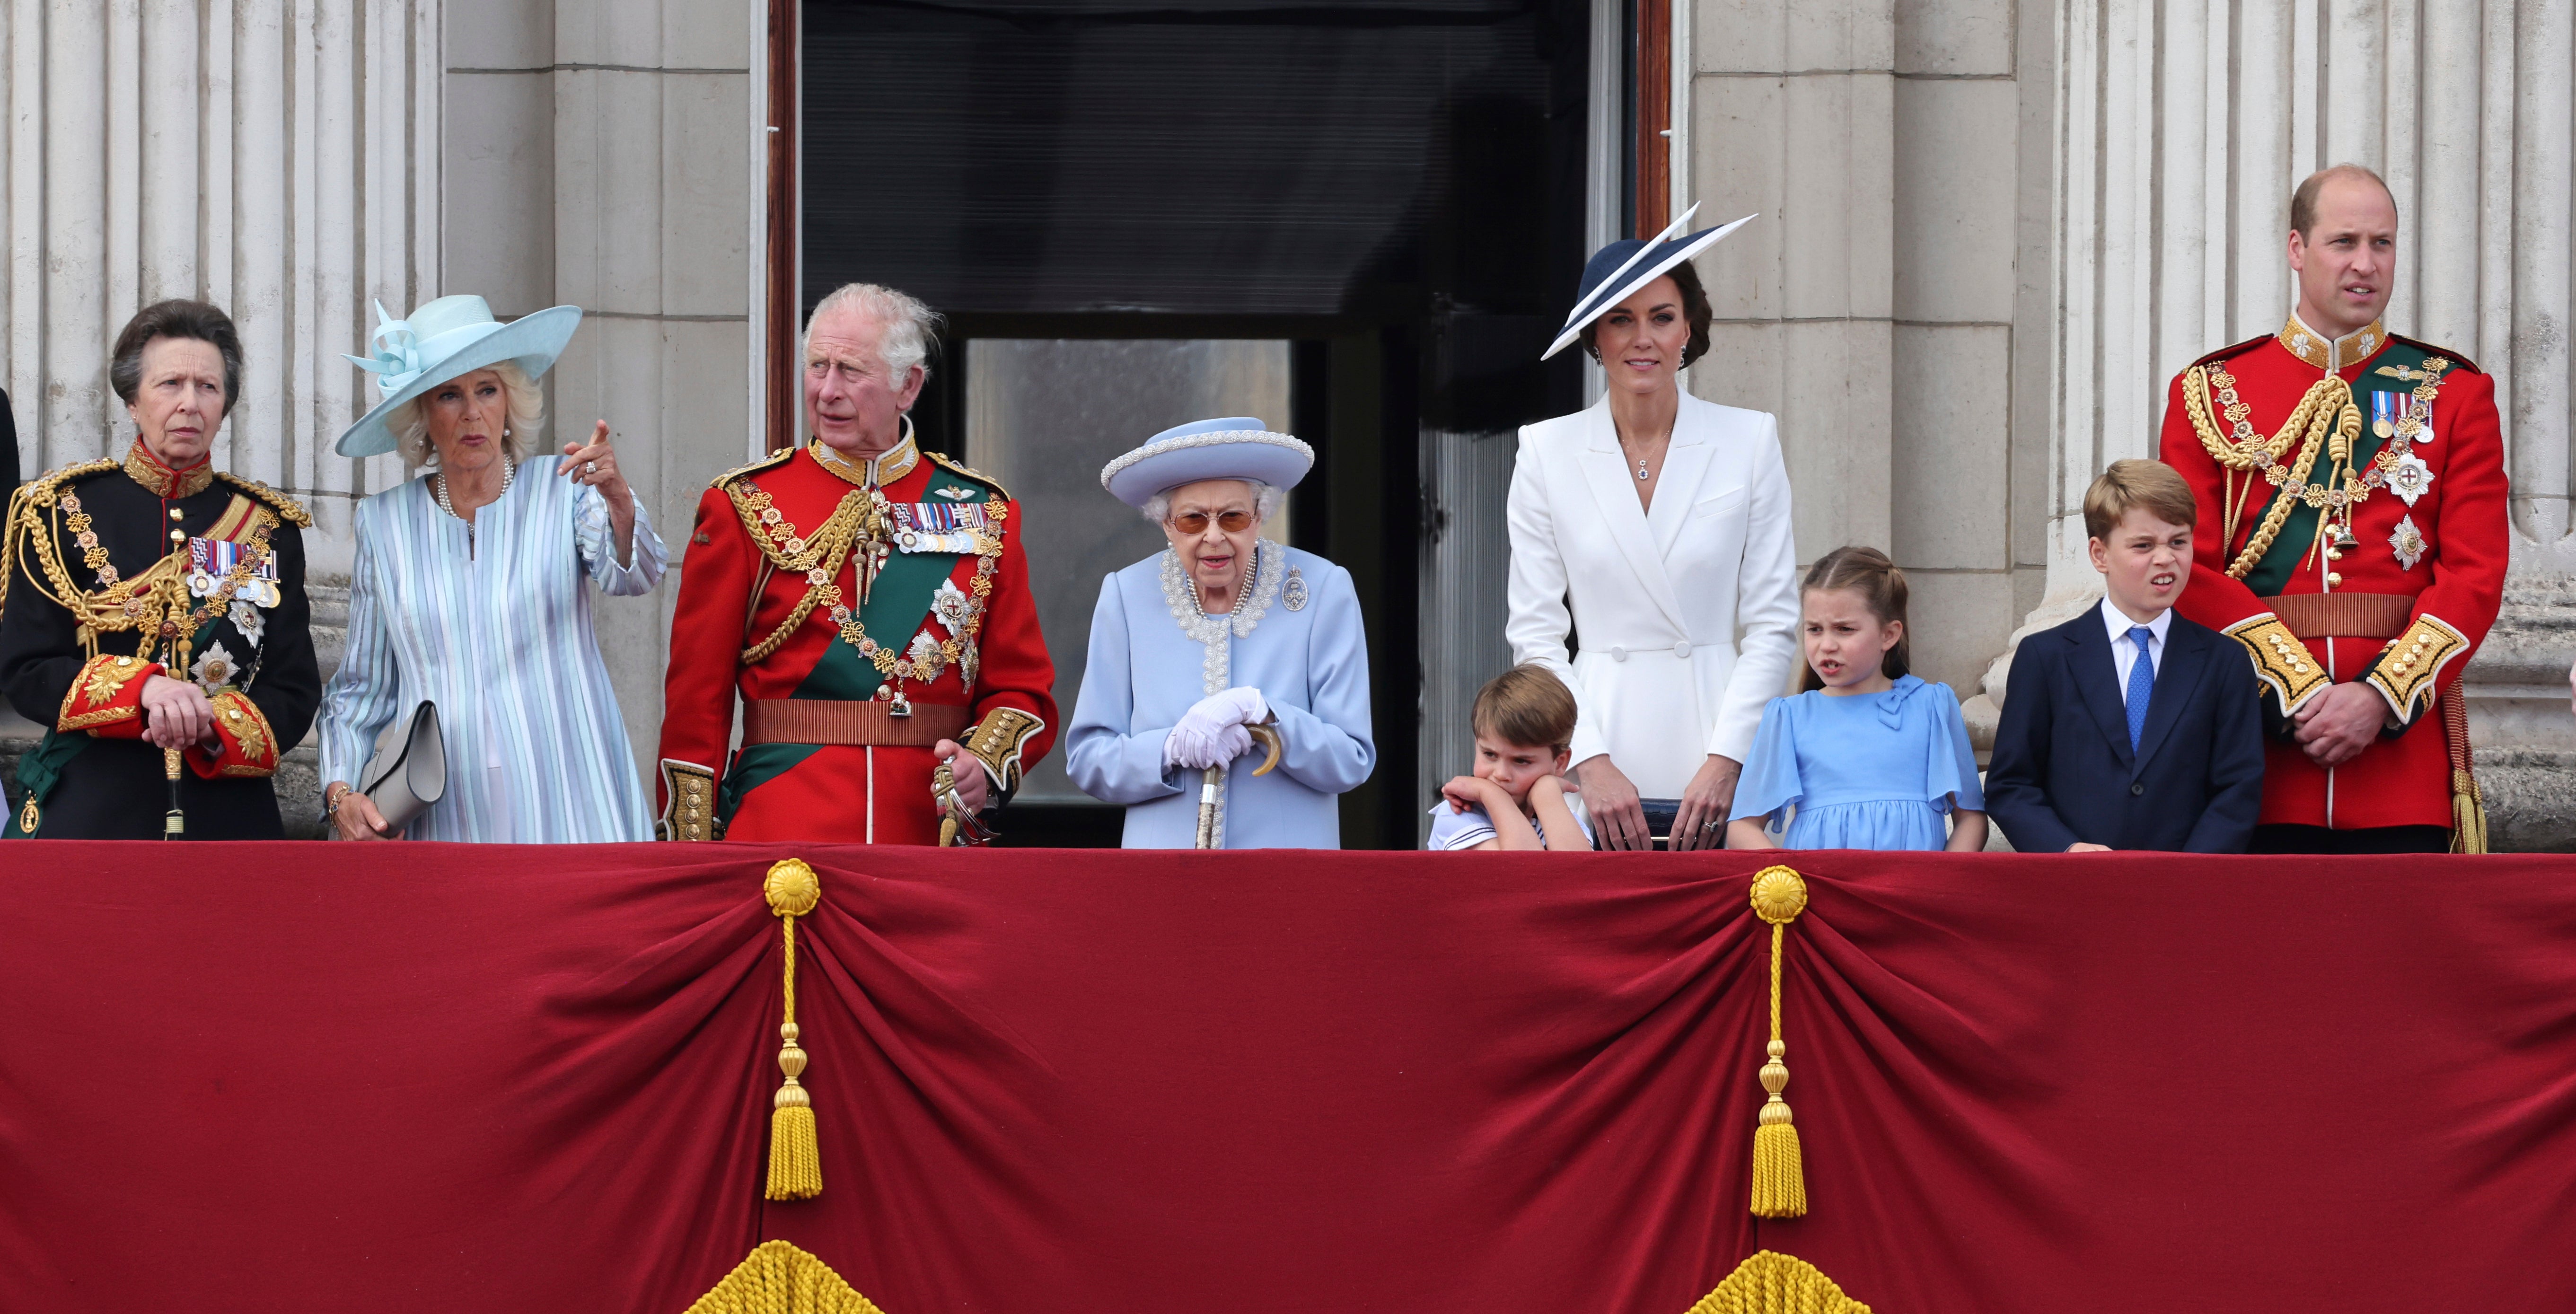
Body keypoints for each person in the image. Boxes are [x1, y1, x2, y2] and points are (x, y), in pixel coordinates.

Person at [2158, 164, 2506, 854]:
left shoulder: (2455, 393)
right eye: (2343, 241)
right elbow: (2184, 567)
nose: (2365, 264)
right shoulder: (2211, 389)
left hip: (2398, 769)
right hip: (2255, 764)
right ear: (2297, 249)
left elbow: (2473, 577)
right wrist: (2299, 695)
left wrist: (2377, 698)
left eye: (2382, 244)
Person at [658, 283, 1056, 843]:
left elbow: (1022, 690)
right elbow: (696, 702)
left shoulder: (985, 513)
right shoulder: (743, 504)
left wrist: (980, 768)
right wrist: (692, 852)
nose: (826, 391)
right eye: (817, 366)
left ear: (908, 386)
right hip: (780, 825)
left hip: (926, 833)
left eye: (850, 370)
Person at [316, 295, 668, 841]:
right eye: (449, 395)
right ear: (423, 415)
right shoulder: (383, 524)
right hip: (439, 804)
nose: (472, 413)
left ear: (511, 401)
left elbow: (634, 575)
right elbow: (363, 686)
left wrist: (620, 501)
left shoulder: (565, 488)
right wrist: (340, 789)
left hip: (567, 792)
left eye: (487, 390)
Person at [1508, 207, 1798, 852]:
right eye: (1621, 319)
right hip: (1597, 745)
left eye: (1661, 317)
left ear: (1688, 329)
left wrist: (1729, 757)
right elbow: (1535, 631)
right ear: (1594, 336)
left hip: (1718, 742)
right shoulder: (1544, 450)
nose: (1643, 338)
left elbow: (1774, 622)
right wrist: (1588, 756)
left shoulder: (1749, 439)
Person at [0, 299, 318, 838]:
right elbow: (25, 669)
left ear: (226, 404)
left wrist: (212, 723)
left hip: (229, 816)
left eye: (208, 387)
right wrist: (143, 690)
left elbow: (293, 688)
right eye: (170, 384)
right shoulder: (57, 511)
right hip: (93, 810)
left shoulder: (267, 526)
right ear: (132, 399)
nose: (189, 404)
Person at [1065, 418, 1375, 847]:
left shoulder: (1323, 588)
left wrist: (1266, 715)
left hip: (1287, 875)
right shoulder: (1126, 594)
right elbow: (1088, 760)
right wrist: (1170, 748)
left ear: (1259, 516)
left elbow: (1350, 761)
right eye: (1193, 520)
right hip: (1162, 876)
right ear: (1166, 525)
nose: (1214, 536)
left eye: (1233, 517)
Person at [1985, 461, 2265, 853]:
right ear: (2099, 555)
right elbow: (2011, 785)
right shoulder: (2045, 657)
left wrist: (2191, 869)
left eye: (2178, 542)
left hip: (2186, 889)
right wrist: (2066, 850)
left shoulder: (2224, 661)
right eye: (2143, 545)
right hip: (2076, 888)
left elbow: (2238, 786)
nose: (2165, 558)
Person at [1726, 547, 1986, 852]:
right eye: (1814, 630)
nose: (1826, 645)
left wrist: (1939, 886)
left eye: (1844, 629)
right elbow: (1743, 826)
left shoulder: (1932, 705)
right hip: (1820, 893)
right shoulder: (1789, 716)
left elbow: (1971, 818)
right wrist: (1791, 882)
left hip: (1912, 892)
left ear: (1889, 635)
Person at [1427, 664, 1591, 852]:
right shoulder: (1458, 814)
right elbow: (1524, 873)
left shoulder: (1560, 817)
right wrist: (1492, 795)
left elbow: (1580, 875)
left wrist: (1547, 795)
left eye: (1521, 761)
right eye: (1490, 754)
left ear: (1560, 763)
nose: (1501, 774)